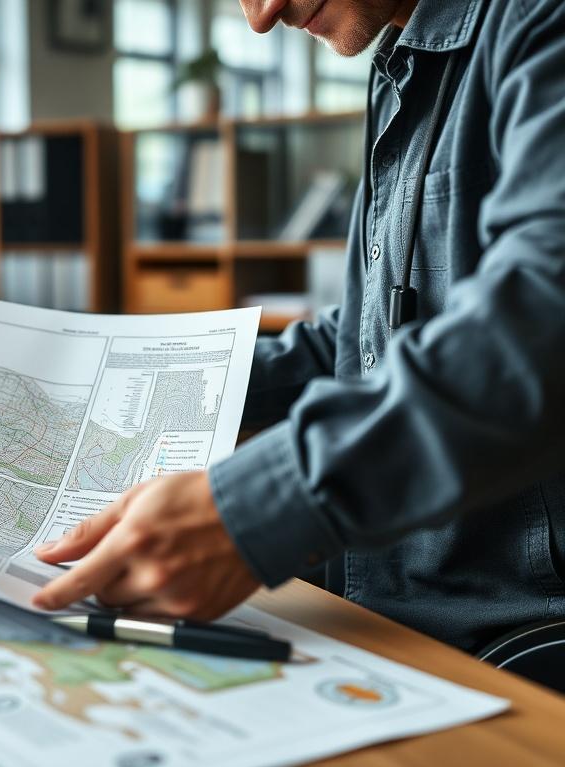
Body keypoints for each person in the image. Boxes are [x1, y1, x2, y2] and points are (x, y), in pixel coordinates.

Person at [32, 0, 565, 653]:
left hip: (515, 637)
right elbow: (372, 333)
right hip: (387, 602)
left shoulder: (540, 22)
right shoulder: (398, 64)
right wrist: (139, 382)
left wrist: (252, 510)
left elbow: (540, 326)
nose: (260, 16)